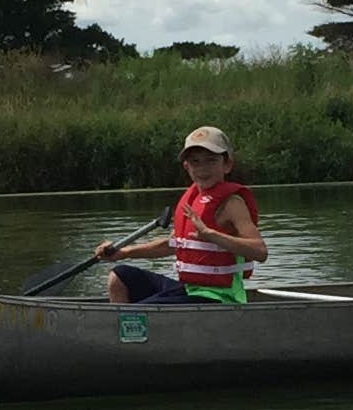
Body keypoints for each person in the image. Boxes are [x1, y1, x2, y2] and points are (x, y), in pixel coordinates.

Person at [99, 128, 269, 305]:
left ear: (227, 165)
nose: (202, 168)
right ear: (187, 167)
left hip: (219, 297)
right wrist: (124, 252)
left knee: (141, 312)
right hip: (189, 288)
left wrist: (213, 236)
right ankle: (122, 328)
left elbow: (260, 251)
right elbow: (171, 245)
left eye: (211, 161)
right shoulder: (193, 199)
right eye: (195, 162)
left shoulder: (232, 203)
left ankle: (127, 327)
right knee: (121, 276)